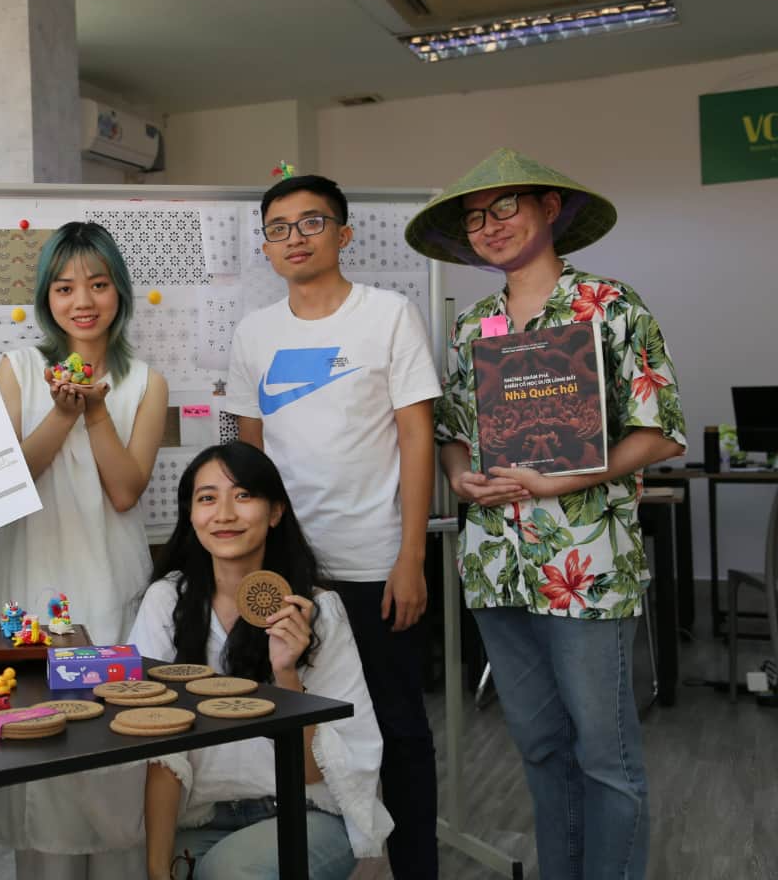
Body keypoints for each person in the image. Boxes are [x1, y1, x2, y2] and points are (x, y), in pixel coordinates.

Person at [410, 147, 686, 878]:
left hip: (585, 564)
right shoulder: (472, 326)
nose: (489, 226)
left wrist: (568, 480)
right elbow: (454, 436)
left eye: (506, 208)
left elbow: (658, 429)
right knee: (537, 746)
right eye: (475, 216)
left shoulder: (611, 305)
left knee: (606, 754)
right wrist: (463, 480)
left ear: (549, 209)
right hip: (497, 565)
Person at [224, 174, 441, 876]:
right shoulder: (255, 332)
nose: (294, 237)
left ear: (343, 234)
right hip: (286, 570)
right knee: (293, 727)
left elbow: (417, 437)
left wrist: (412, 556)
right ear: (265, 246)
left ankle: (414, 868)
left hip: (376, 564)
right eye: (279, 227)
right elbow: (246, 456)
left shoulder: (388, 314)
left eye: (311, 222)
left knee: (400, 731)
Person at [0, 220, 169, 878]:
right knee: (40, 762)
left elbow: (123, 492)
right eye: (63, 287)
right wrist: (58, 411)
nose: (82, 300)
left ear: (119, 291)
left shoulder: (144, 380)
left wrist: (93, 410)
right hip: (29, 591)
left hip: (109, 588)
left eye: (97, 283)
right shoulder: (19, 369)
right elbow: (7, 484)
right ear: (46, 298)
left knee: (111, 755)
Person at [136, 441, 392, 880]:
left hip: (307, 812)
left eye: (244, 496)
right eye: (207, 498)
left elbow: (313, 772)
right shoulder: (167, 602)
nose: (224, 514)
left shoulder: (319, 611)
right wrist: (158, 871)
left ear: (275, 512)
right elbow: (162, 752)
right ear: (191, 515)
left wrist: (286, 672)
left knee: (228, 874)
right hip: (202, 818)